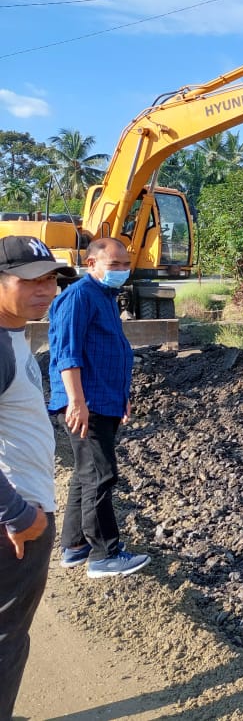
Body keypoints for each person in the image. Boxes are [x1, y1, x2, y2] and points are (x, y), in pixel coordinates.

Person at [0, 235, 77, 717]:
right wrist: (17, 513)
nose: (45, 289)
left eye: (50, 279)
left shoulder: (14, 336)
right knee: (6, 638)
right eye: (30, 280)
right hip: (15, 518)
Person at [48, 237, 150, 578]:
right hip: (85, 403)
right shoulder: (77, 297)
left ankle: (75, 546)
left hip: (103, 400)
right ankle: (104, 554)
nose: (122, 270)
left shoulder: (105, 297)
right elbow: (68, 354)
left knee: (84, 474)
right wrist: (76, 402)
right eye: (114, 264)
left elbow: (111, 351)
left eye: (125, 264)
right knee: (102, 474)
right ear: (91, 264)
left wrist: (121, 396)